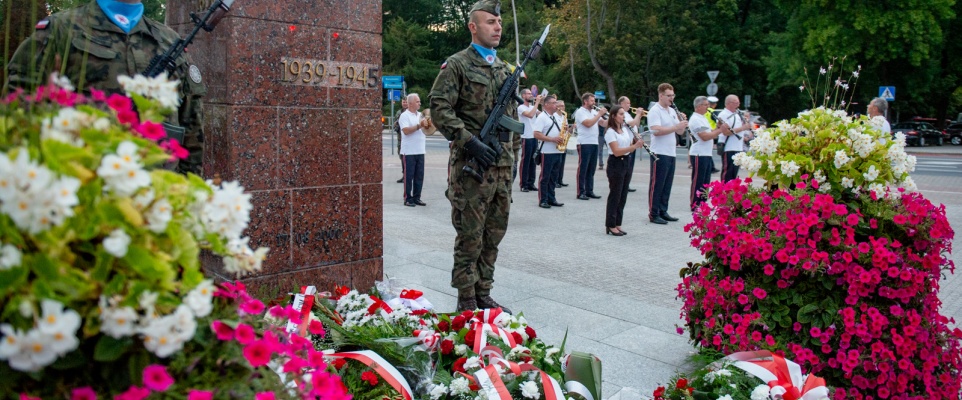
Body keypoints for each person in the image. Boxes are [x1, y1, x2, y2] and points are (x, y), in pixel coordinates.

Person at [6, 0, 205, 175]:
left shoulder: (168, 40)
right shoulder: (60, 29)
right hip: (84, 188)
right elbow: (17, 110)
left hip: (156, 195)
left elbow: (191, 125)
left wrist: (185, 191)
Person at [428, 0, 518, 313]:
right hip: (471, 170)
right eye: (490, 22)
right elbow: (439, 108)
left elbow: (512, 123)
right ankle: (466, 299)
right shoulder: (457, 65)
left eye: (499, 22)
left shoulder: (505, 69)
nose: (497, 27)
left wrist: (513, 161)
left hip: (501, 169)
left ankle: (484, 292)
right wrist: (468, 141)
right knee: (470, 237)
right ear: (473, 27)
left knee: (494, 235)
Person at [646, 83, 686, 225]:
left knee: (667, 184)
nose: (671, 98)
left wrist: (681, 123)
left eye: (673, 95)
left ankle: (663, 210)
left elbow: (679, 132)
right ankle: (653, 213)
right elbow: (656, 130)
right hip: (659, 152)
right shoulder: (655, 111)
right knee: (657, 184)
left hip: (671, 152)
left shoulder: (672, 110)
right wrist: (675, 126)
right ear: (661, 95)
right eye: (669, 96)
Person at [604, 106, 644, 236]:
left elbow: (629, 143)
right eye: (621, 114)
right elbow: (616, 151)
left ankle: (617, 223)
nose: (623, 116)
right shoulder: (610, 132)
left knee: (623, 195)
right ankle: (610, 224)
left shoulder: (625, 129)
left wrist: (636, 140)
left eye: (624, 114)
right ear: (614, 116)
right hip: (616, 163)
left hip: (626, 161)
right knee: (615, 194)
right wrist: (634, 146)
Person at [688, 96, 729, 211]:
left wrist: (718, 127)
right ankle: (695, 203)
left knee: (706, 181)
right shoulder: (695, 119)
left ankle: (703, 203)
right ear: (699, 106)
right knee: (698, 180)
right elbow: (704, 136)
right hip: (698, 153)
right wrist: (720, 130)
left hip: (706, 153)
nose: (708, 107)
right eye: (706, 105)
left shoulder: (702, 118)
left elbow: (709, 131)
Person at [533, 95, 564, 209]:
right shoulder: (542, 117)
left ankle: (551, 198)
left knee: (554, 177)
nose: (556, 105)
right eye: (554, 103)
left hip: (557, 151)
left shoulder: (555, 117)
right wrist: (552, 139)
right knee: (545, 177)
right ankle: (543, 199)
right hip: (546, 152)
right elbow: (536, 134)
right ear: (546, 105)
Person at [574, 93, 607, 200]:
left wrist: (612, 118)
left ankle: (589, 190)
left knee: (592, 168)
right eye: (592, 101)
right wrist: (599, 114)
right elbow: (588, 123)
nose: (594, 103)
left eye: (594, 100)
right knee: (583, 168)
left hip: (594, 142)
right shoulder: (580, 112)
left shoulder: (593, 112)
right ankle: (581, 192)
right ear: (585, 101)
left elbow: (603, 123)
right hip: (584, 142)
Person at [399, 93, 429, 207]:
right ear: (410, 103)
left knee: (419, 176)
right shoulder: (404, 116)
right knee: (409, 176)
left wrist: (427, 125)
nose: (420, 103)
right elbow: (406, 131)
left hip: (420, 150)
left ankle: (417, 197)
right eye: (418, 102)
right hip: (409, 151)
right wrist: (419, 126)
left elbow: (426, 129)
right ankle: (407, 198)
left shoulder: (420, 115)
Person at [716, 95, 754, 182]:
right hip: (728, 147)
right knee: (727, 174)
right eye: (736, 103)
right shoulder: (724, 114)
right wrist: (743, 128)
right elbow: (726, 132)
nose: (738, 105)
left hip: (737, 147)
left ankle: (731, 194)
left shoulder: (736, 115)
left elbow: (738, 130)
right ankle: (724, 193)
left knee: (734, 174)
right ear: (729, 103)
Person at [617, 96, 645, 192]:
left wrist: (639, 116)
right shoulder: (621, 115)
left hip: (632, 141)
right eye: (627, 103)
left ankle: (626, 184)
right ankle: (623, 184)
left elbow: (636, 124)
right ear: (621, 104)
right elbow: (632, 123)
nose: (629, 105)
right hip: (626, 143)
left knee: (630, 165)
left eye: (629, 103)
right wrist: (638, 114)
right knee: (626, 165)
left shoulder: (628, 114)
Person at [518, 88, 542, 192]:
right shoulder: (521, 107)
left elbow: (541, 115)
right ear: (523, 96)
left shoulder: (533, 106)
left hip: (534, 137)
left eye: (530, 93)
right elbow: (530, 115)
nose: (530, 95)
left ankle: (531, 183)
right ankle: (523, 184)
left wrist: (543, 102)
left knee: (533, 160)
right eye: (528, 94)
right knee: (525, 160)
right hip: (525, 137)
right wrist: (537, 103)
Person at [555, 100, 570, 188]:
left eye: (563, 106)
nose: (562, 108)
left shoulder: (564, 116)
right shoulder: (554, 116)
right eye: (560, 106)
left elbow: (566, 129)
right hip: (558, 140)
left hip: (563, 140)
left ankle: (560, 180)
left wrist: (569, 129)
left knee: (562, 162)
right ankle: (556, 180)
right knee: (557, 163)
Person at [394, 98, 409, 183]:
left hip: (408, 139)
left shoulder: (411, 112)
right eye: (403, 102)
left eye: (406, 102)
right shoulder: (399, 112)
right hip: (400, 139)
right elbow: (395, 125)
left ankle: (408, 176)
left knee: (408, 158)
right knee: (402, 157)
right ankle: (404, 175)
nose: (405, 103)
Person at [706, 96, 721, 174]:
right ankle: (711, 167)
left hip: (705, 131)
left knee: (707, 150)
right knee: (708, 151)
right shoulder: (712, 112)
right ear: (714, 104)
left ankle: (711, 166)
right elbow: (718, 121)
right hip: (712, 132)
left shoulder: (705, 111)